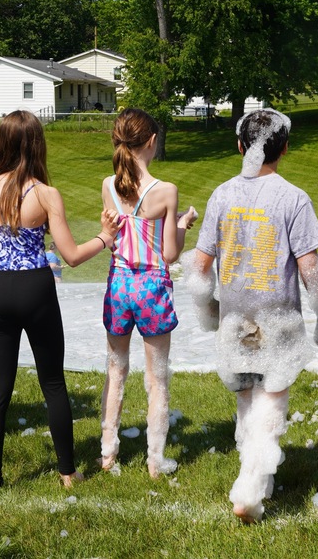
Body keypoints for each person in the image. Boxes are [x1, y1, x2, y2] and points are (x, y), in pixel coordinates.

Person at [184, 108, 318, 522]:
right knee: (271, 402)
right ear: (285, 149)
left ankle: (255, 477)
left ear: (239, 146)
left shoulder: (221, 195)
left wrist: (209, 311)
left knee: (247, 403)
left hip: (236, 321)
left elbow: (198, 269)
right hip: (278, 323)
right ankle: (250, 490)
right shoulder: (293, 198)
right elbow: (312, 273)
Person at [0, 110, 118, 504]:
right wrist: (105, 236)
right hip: (37, 288)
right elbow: (72, 255)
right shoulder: (46, 194)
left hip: (0, 291)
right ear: (36, 145)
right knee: (52, 383)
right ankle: (67, 473)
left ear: (2, 144)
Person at [99, 108, 197, 479]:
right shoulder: (166, 191)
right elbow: (170, 254)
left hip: (119, 284)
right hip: (152, 286)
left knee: (115, 369)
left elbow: (113, 236)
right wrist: (183, 224)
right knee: (157, 378)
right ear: (152, 142)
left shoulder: (108, 186)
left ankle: (108, 452)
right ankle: (155, 461)